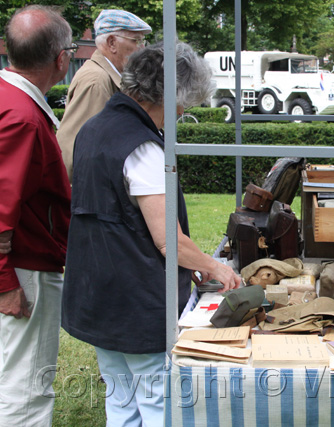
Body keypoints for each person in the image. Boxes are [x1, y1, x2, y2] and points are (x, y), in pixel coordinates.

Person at [61, 42, 242, 425]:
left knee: (122, 403)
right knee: (159, 405)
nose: (181, 113)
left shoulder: (94, 129)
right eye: (184, 104)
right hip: (136, 303)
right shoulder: (142, 146)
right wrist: (215, 267)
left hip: (100, 292)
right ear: (170, 95)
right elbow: (167, 240)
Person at [0, 5, 73, 425]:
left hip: (19, 264)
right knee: (26, 387)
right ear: (62, 59)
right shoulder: (22, 116)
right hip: (23, 267)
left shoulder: (12, 102)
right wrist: (6, 284)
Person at [56, 9, 151, 180]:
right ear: (112, 43)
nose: (142, 48)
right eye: (137, 41)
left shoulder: (105, 77)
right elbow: (79, 150)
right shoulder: (97, 81)